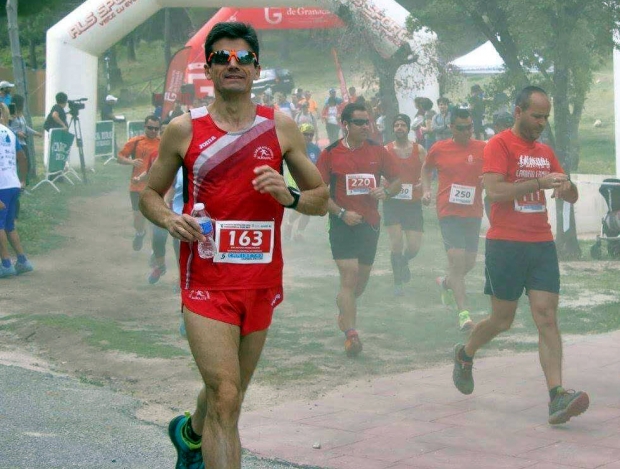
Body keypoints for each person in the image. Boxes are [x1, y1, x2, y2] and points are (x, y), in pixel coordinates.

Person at [139, 22, 328, 469]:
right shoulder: (184, 130)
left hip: (259, 280)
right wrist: (169, 217)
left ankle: (189, 434)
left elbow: (321, 200)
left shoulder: (279, 126)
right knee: (227, 395)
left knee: (230, 389)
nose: (233, 65)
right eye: (222, 58)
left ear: (255, 67)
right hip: (205, 280)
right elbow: (150, 194)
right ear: (209, 68)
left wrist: (290, 195)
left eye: (242, 58)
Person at [452, 86, 589, 425]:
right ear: (518, 111)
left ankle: (557, 396)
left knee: (547, 317)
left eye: (546, 117)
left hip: (541, 243)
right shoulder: (498, 145)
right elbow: (495, 191)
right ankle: (466, 354)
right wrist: (538, 183)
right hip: (506, 244)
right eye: (537, 116)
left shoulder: (545, 151)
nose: (542, 123)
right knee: (502, 320)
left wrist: (566, 187)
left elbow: (570, 194)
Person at [317, 101, 401, 357]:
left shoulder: (379, 151)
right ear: (345, 124)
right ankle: (351, 335)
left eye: (368, 122)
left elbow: (397, 180)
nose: (366, 126)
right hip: (342, 224)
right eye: (360, 122)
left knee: (359, 284)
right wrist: (342, 213)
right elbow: (319, 192)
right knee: (349, 276)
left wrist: (385, 191)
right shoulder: (330, 153)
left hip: (370, 225)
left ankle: (344, 306)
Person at [422, 108, 485, 331]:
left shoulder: (483, 148)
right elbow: (426, 169)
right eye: (461, 128)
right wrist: (427, 190)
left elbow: (492, 173)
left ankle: (446, 283)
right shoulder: (439, 149)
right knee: (457, 262)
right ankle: (464, 314)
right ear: (451, 128)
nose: (467, 131)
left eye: (470, 127)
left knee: (469, 263)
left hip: (473, 212)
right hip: (448, 211)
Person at [383, 114, 426, 296]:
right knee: (396, 243)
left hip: (413, 203)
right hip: (392, 202)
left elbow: (428, 172)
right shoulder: (386, 150)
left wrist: (422, 184)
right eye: (397, 125)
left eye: (403, 125)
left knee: (414, 247)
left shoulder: (419, 149)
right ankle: (397, 282)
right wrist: (384, 184)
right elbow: (379, 172)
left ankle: (404, 261)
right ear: (393, 129)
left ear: (408, 129)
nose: (399, 127)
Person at [117, 115, 161, 251]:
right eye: (150, 128)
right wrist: (131, 161)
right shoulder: (136, 141)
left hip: (155, 187)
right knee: (138, 216)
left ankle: (156, 250)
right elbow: (119, 157)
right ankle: (140, 233)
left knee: (155, 219)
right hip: (136, 186)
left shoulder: (163, 143)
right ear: (144, 127)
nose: (153, 131)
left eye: (156, 128)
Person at [0, 103, 32, 278]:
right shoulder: (9, 133)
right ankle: (22, 260)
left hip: (1, 186)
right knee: (9, 225)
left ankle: (6, 264)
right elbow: (23, 157)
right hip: (13, 184)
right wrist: (22, 180)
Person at [283, 123, 322, 241]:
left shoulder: (315, 149)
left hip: (310, 183)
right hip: (295, 181)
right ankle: (289, 224)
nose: (309, 137)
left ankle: (299, 233)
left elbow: (319, 165)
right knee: (301, 206)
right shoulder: (291, 147)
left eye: (311, 134)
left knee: (308, 210)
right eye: (306, 134)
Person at [9, 94, 42, 181]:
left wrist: (36, 133)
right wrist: (17, 132)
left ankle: (22, 183)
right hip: (14, 143)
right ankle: (17, 183)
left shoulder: (21, 115)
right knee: (18, 164)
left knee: (27, 164)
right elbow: (6, 127)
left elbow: (25, 127)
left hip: (23, 142)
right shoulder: (10, 114)